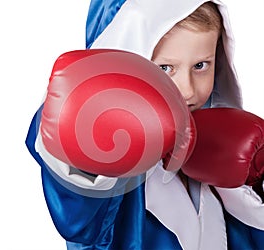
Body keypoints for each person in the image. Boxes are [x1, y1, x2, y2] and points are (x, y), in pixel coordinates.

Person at [26, 0, 264, 249]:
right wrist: (88, 128)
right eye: (165, 68)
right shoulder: (113, 164)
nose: (187, 89)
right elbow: (77, 218)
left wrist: (255, 185)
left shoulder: (227, 143)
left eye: (200, 65)